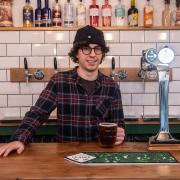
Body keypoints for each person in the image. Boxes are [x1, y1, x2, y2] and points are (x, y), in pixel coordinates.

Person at [0, 25, 125, 157]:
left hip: (100, 157)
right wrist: (18, 139)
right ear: (76, 53)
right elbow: (37, 114)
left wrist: (120, 133)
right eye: (86, 48)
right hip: (66, 158)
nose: (92, 54)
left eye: (97, 49)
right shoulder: (59, 81)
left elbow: (119, 124)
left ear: (102, 54)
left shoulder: (112, 87)